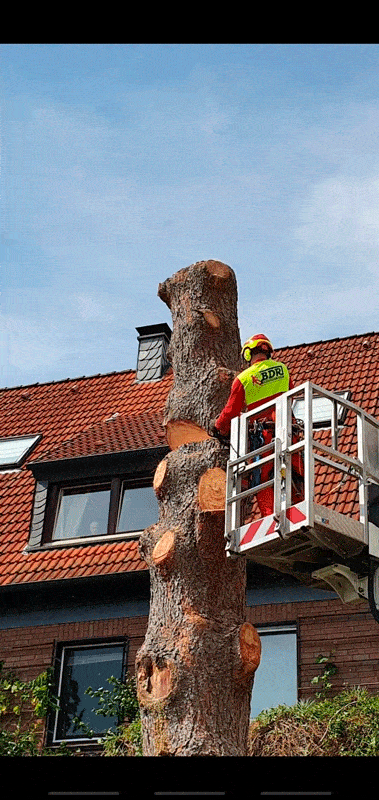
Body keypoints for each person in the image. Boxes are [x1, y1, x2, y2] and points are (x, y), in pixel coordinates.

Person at [212, 333, 303, 519]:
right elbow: (291, 394)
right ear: (268, 351)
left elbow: (231, 410)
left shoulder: (244, 378)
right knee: (295, 473)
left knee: (263, 478)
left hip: (265, 436)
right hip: (289, 431)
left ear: (247, 354)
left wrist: (218, 427)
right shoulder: (283, 369)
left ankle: (271, 518)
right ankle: (299, 513)